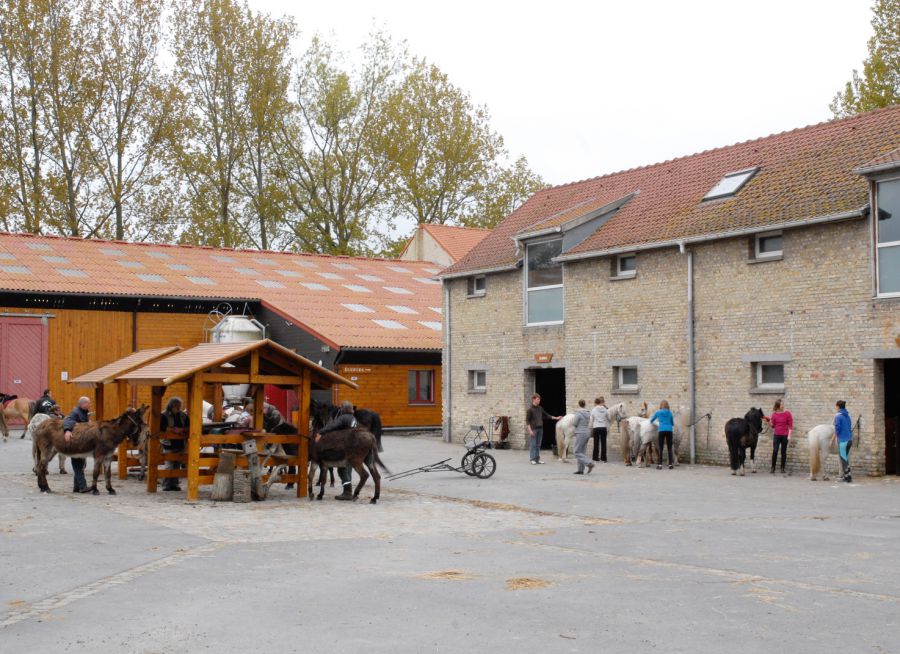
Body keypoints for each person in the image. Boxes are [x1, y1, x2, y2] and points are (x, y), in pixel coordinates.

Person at [317, 400, 357, 500]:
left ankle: (347, 492)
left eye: (341, 408)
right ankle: (348, 491)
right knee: (348, 468)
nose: (340, 409)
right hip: (353, 445)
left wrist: (321, 432)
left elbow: (332, 426)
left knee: (342, 469)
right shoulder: (353, 418)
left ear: (343, 409)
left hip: (345, 446)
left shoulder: (343, 417)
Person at [62, 396, 91, 493]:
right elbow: (68, 420)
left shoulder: (84, 412)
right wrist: (67, 431)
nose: (89, 405)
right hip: (75, 443)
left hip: (81, 443)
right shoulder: (75, 412)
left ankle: (76, 487)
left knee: (82, 464)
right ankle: (83, 487)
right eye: (88, 403)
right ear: (82, 404)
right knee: (78, 465)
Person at [160, 397, 189, 492]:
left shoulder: (183, 415)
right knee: (169, 465)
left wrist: (182, 430)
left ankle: (175, 484)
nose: (179, 408)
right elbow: (162, 427)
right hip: (168, 443)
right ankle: (167, 485)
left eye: (179, 406)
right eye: (177, 406)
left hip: (181, 443)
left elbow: (189, 426)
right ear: (172, 406)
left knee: (177, 464)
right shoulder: (163, 415)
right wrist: (173, 430)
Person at [525, 394, 560, 465]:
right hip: (533, 429)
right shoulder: (530, 410)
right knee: (533, 445)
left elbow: (547, 415)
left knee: (538, 445)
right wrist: (530, 430)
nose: (539, 400)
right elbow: (527, 421)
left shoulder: (540, 408)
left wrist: (556, 418)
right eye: (538, 399)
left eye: (539, 399)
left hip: (540, 429)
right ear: (533, 399)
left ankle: (537, 459)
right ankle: (532, 459)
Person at [767, 399, 793, 474]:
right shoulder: (774, 414)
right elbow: (773, 426)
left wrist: (789, 436)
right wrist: (769, 422)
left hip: (785, 435)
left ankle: (782, 468)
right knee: (775, 451)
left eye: (783, 404)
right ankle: (773, 467)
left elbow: (790, 426)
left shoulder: (788, 413)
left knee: (783, 452)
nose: (783, 405)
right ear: (778, 406)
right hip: (777, 435)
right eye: (782, 404)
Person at [832, 400, 853, 483]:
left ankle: (847, 478)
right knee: (846, 459)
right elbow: (849, 427)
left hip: (843, 441)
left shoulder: (838, 416)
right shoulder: (847, 416)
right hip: (849, 440)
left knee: (843, 460)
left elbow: (837, 429)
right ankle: (849, 476)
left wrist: (832, 439)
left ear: (838, 406)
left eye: (836, 406)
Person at [651, 400, 675, 470]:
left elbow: (652, 420)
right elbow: (672, 423)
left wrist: (658, 424)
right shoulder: (670, 413)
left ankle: (660, 465)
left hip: (661, 430)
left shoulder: (658, 412)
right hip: (669, 430)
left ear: (661, 405)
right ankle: (670, 464)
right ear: (667, 405)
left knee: (660, 448)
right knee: (669, 448)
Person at [572, 400, 594, 475]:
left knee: (576, 451)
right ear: (585, 404)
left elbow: (574, 423)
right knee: (582, 452)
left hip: (580, 432)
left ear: (579, 404)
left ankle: (589, 463)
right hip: (587, 432)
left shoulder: (578, 413)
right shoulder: (588, 413)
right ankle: (580, 470)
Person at [590, 397, 610, 462]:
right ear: (601, 402)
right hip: (603, 427)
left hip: (596, 427)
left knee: (596, 443)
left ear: (596, 403)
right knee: (604, 443)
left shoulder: (593, 410)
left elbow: (592, 419)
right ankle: (604, 458)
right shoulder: (605, 409)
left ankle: (595, 457)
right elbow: (608, 418)